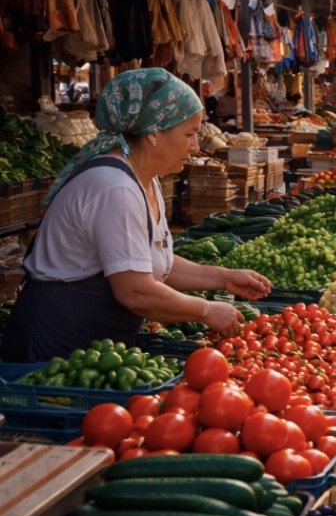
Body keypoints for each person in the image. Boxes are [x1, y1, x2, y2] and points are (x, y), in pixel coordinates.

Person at [3, 69, 272, 362]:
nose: (196, 146)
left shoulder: (145, 178)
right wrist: (206, 310)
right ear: (155, 132)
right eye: (189, 134)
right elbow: (135, 290)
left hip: (96, 352)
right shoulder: (114, 187)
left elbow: (152, 263)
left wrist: (224, 277)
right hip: (56, 346)